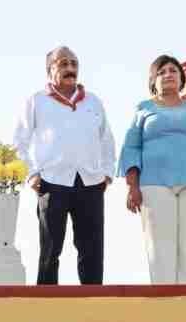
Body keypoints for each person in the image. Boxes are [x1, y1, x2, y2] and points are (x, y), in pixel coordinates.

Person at [13, 46, 115, 285]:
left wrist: (107, 174)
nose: (70, 68)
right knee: (50, 249)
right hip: (51, 182)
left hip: (90, 182)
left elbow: (107, 140)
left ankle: (93, 301)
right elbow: (19, 141)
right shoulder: (36, 101)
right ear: (50, 70)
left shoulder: (93, 101)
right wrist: (32, 174)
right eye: (63, 64)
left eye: (74, 64)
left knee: (92, 249)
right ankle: (46, 302)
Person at [119, 55, 186, 284]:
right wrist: (132, 187)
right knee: (160, 248)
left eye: (173, 71)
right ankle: (164, 302)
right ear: (153, 81)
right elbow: (131, 149)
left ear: (181, 78)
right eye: (161, 72)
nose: (168, 74)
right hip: (154, 183)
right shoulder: (144, 109)